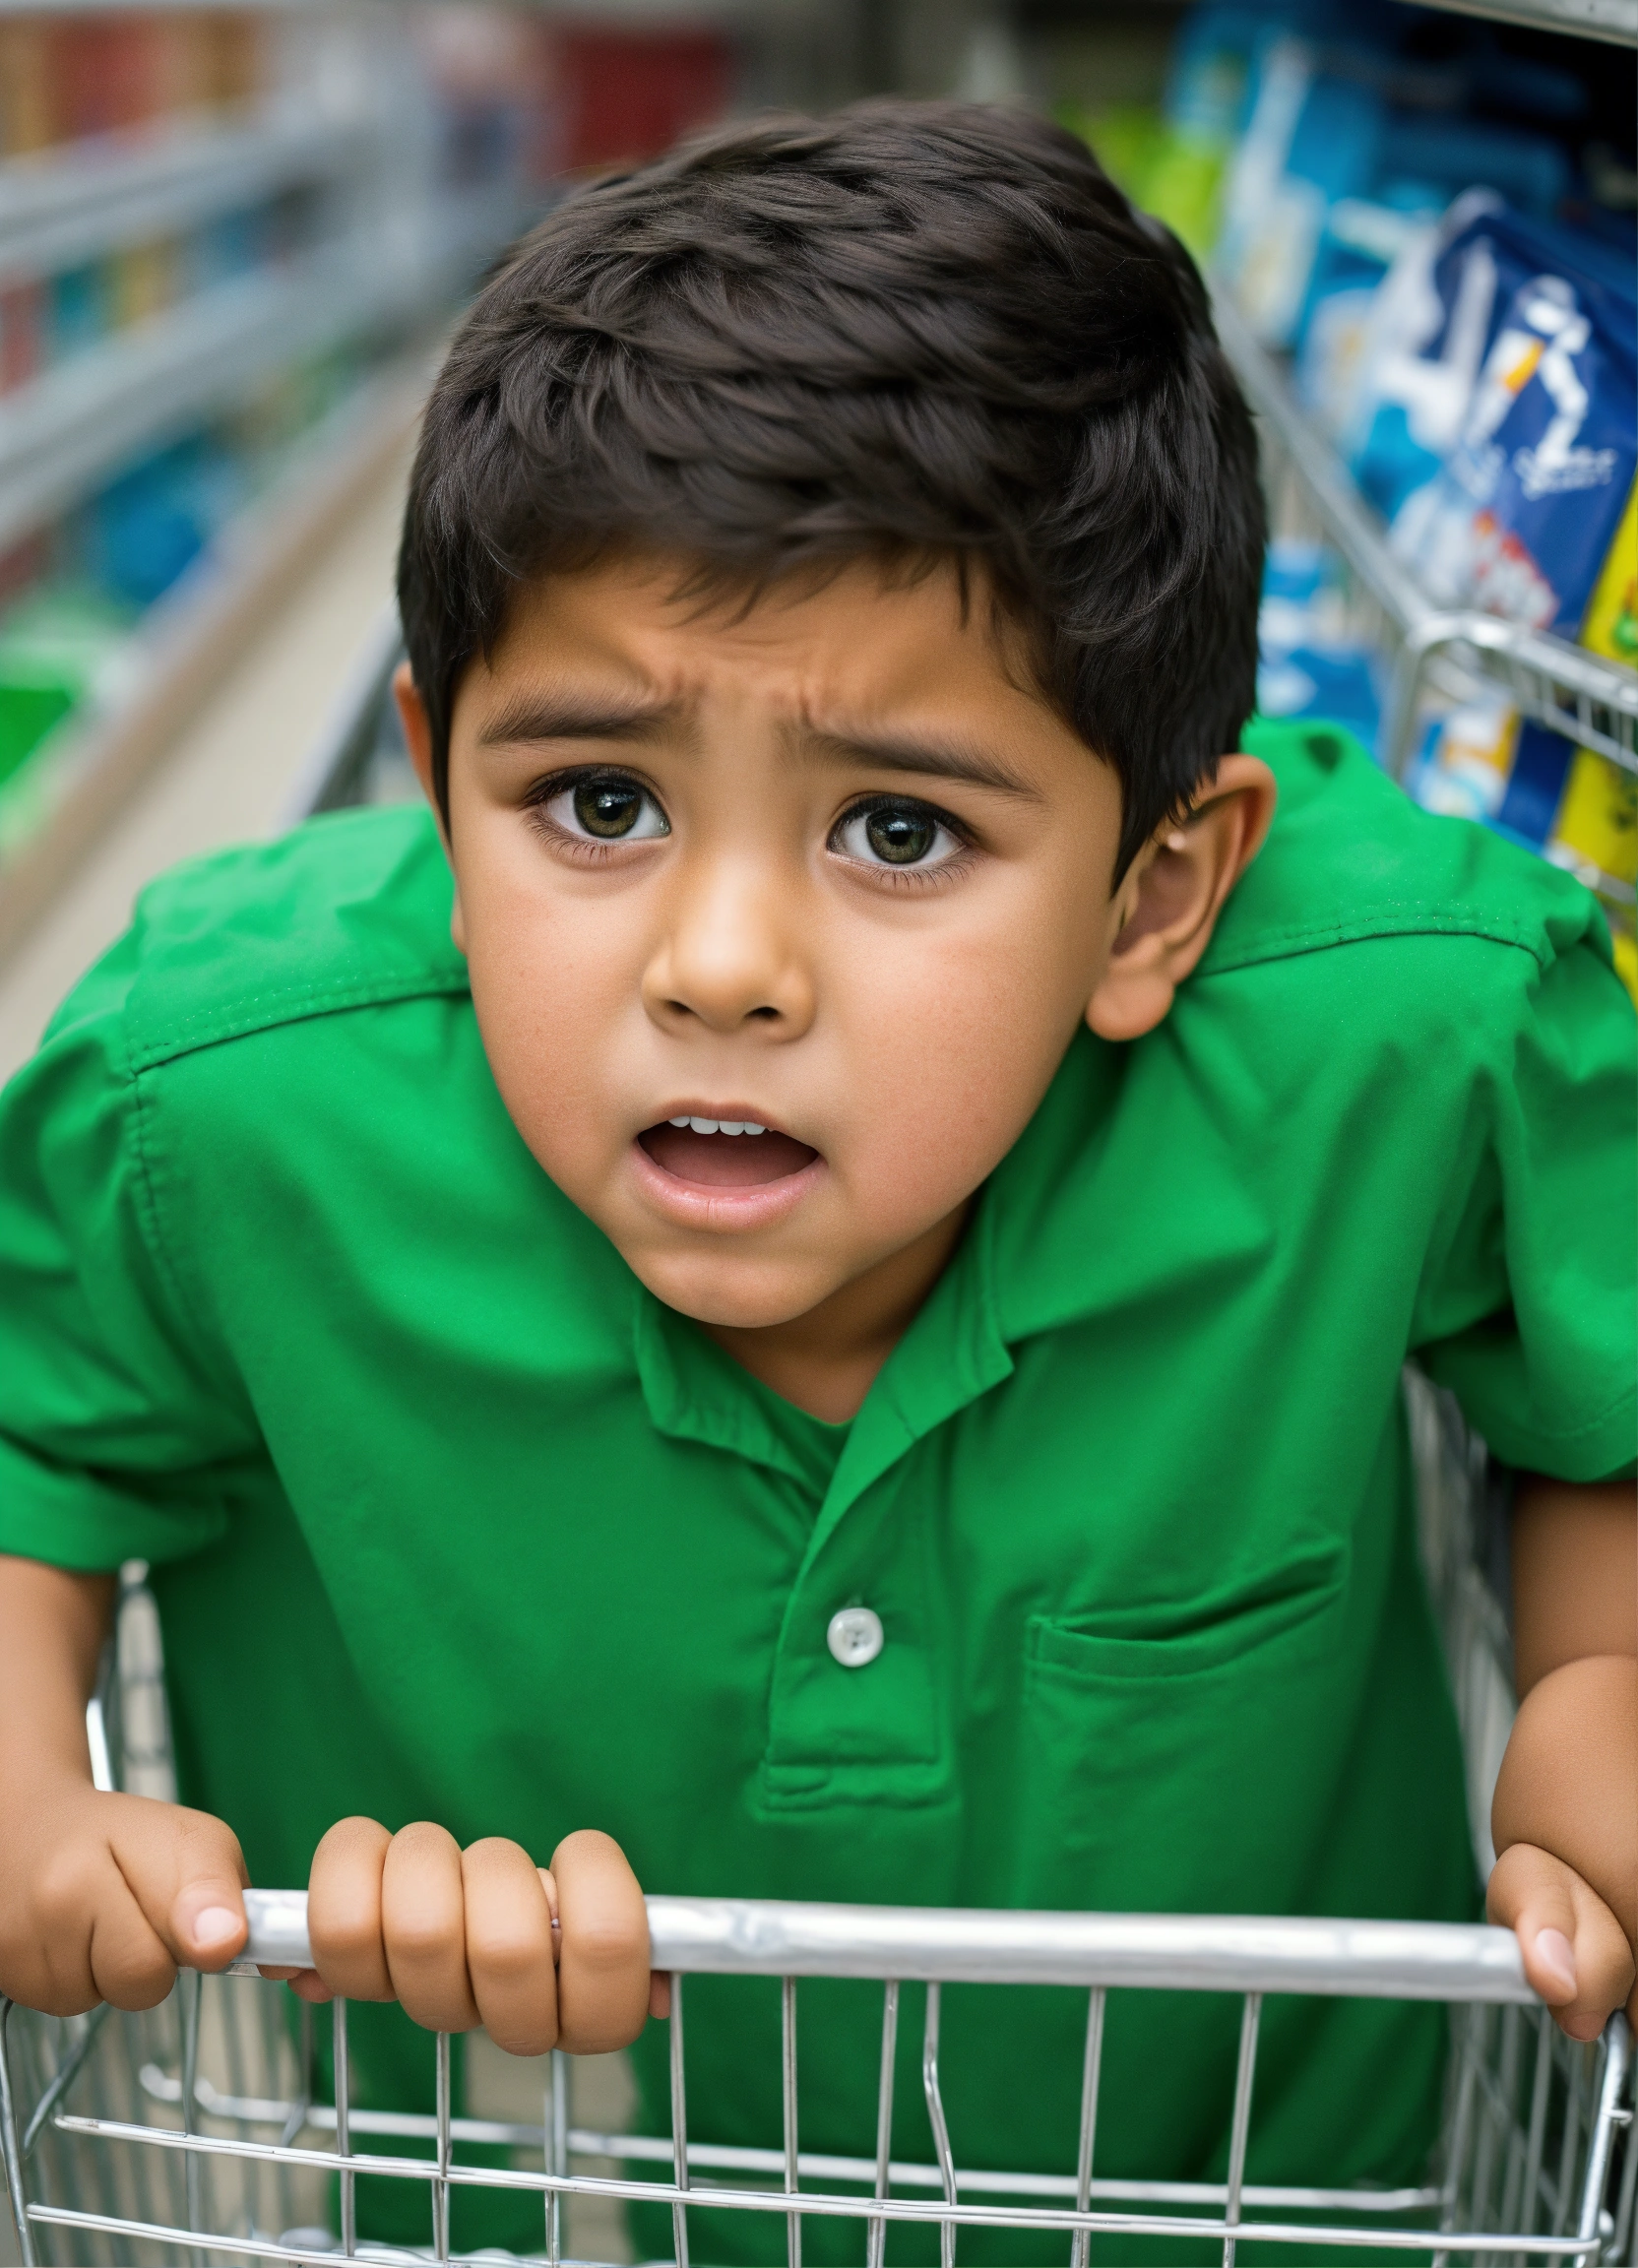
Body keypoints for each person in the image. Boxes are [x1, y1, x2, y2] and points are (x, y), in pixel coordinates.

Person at [0, 103, 1632, 2267]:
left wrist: (1592, 1688)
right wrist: (35, 1787)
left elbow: (1592, 1377)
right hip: (548, 2193)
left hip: (1267, 2206)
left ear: (1158, 896)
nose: (721, 969)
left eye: (897, 833)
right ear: (430, 780)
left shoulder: (1402, 1040)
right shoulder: (223, 1099)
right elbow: (32, 1421)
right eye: (596, 800)